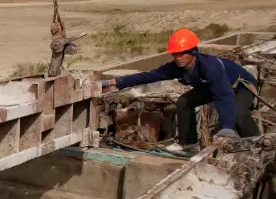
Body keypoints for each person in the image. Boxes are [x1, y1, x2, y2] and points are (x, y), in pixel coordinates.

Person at [100, 28, 259, 155]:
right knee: (184, 102)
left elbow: (224, 96)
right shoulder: (176, 67)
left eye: (182, 53)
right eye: (175, 53)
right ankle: (188, 145)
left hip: (240, 86)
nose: (178, 57)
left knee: (237, 113)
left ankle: (257, 145)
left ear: (193, 52)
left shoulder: (210, 67)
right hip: (214, 86)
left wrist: (227, 126)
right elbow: (148, 76)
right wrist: (114, 82)